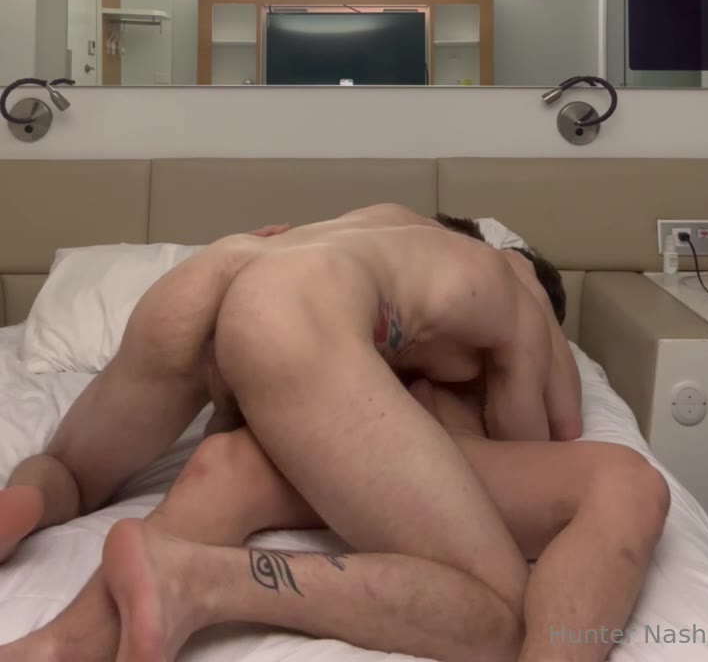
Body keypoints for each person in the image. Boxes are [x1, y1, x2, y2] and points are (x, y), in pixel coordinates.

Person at [0, 206, 669, 662]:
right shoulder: (515, 282)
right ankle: (197, 581)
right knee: (497, 613)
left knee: (72, 469)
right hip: (290, 315)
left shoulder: (374, 227)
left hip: (218, 272)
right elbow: (539, 443)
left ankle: (56, 625)